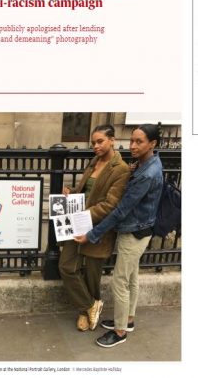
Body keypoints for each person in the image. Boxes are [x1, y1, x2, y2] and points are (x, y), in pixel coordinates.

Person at [75, 124, 163, 348]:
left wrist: (92, 234)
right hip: (139, 228)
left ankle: (120, 331)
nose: (132, 145)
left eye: (139, 142)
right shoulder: (146, 164)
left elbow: (121, 210)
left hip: (134, 232)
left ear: (152, 144)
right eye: (132, 140)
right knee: (132, 278)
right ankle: (129, 320)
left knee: (120, 282)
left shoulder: (147, 173)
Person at [59, 125, 130, 332]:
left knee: (91, 274)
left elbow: (110, 205)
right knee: (66, 266)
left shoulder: (121, 169)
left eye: (100, 141)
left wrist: (83, 216)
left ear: (112, 140)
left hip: (99, 229)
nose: (96, 146)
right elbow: (87, 191)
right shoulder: (94, 162)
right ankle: (89, 305)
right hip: (78, 222)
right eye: (93, 143)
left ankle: (84, 313)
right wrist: (71, 192)